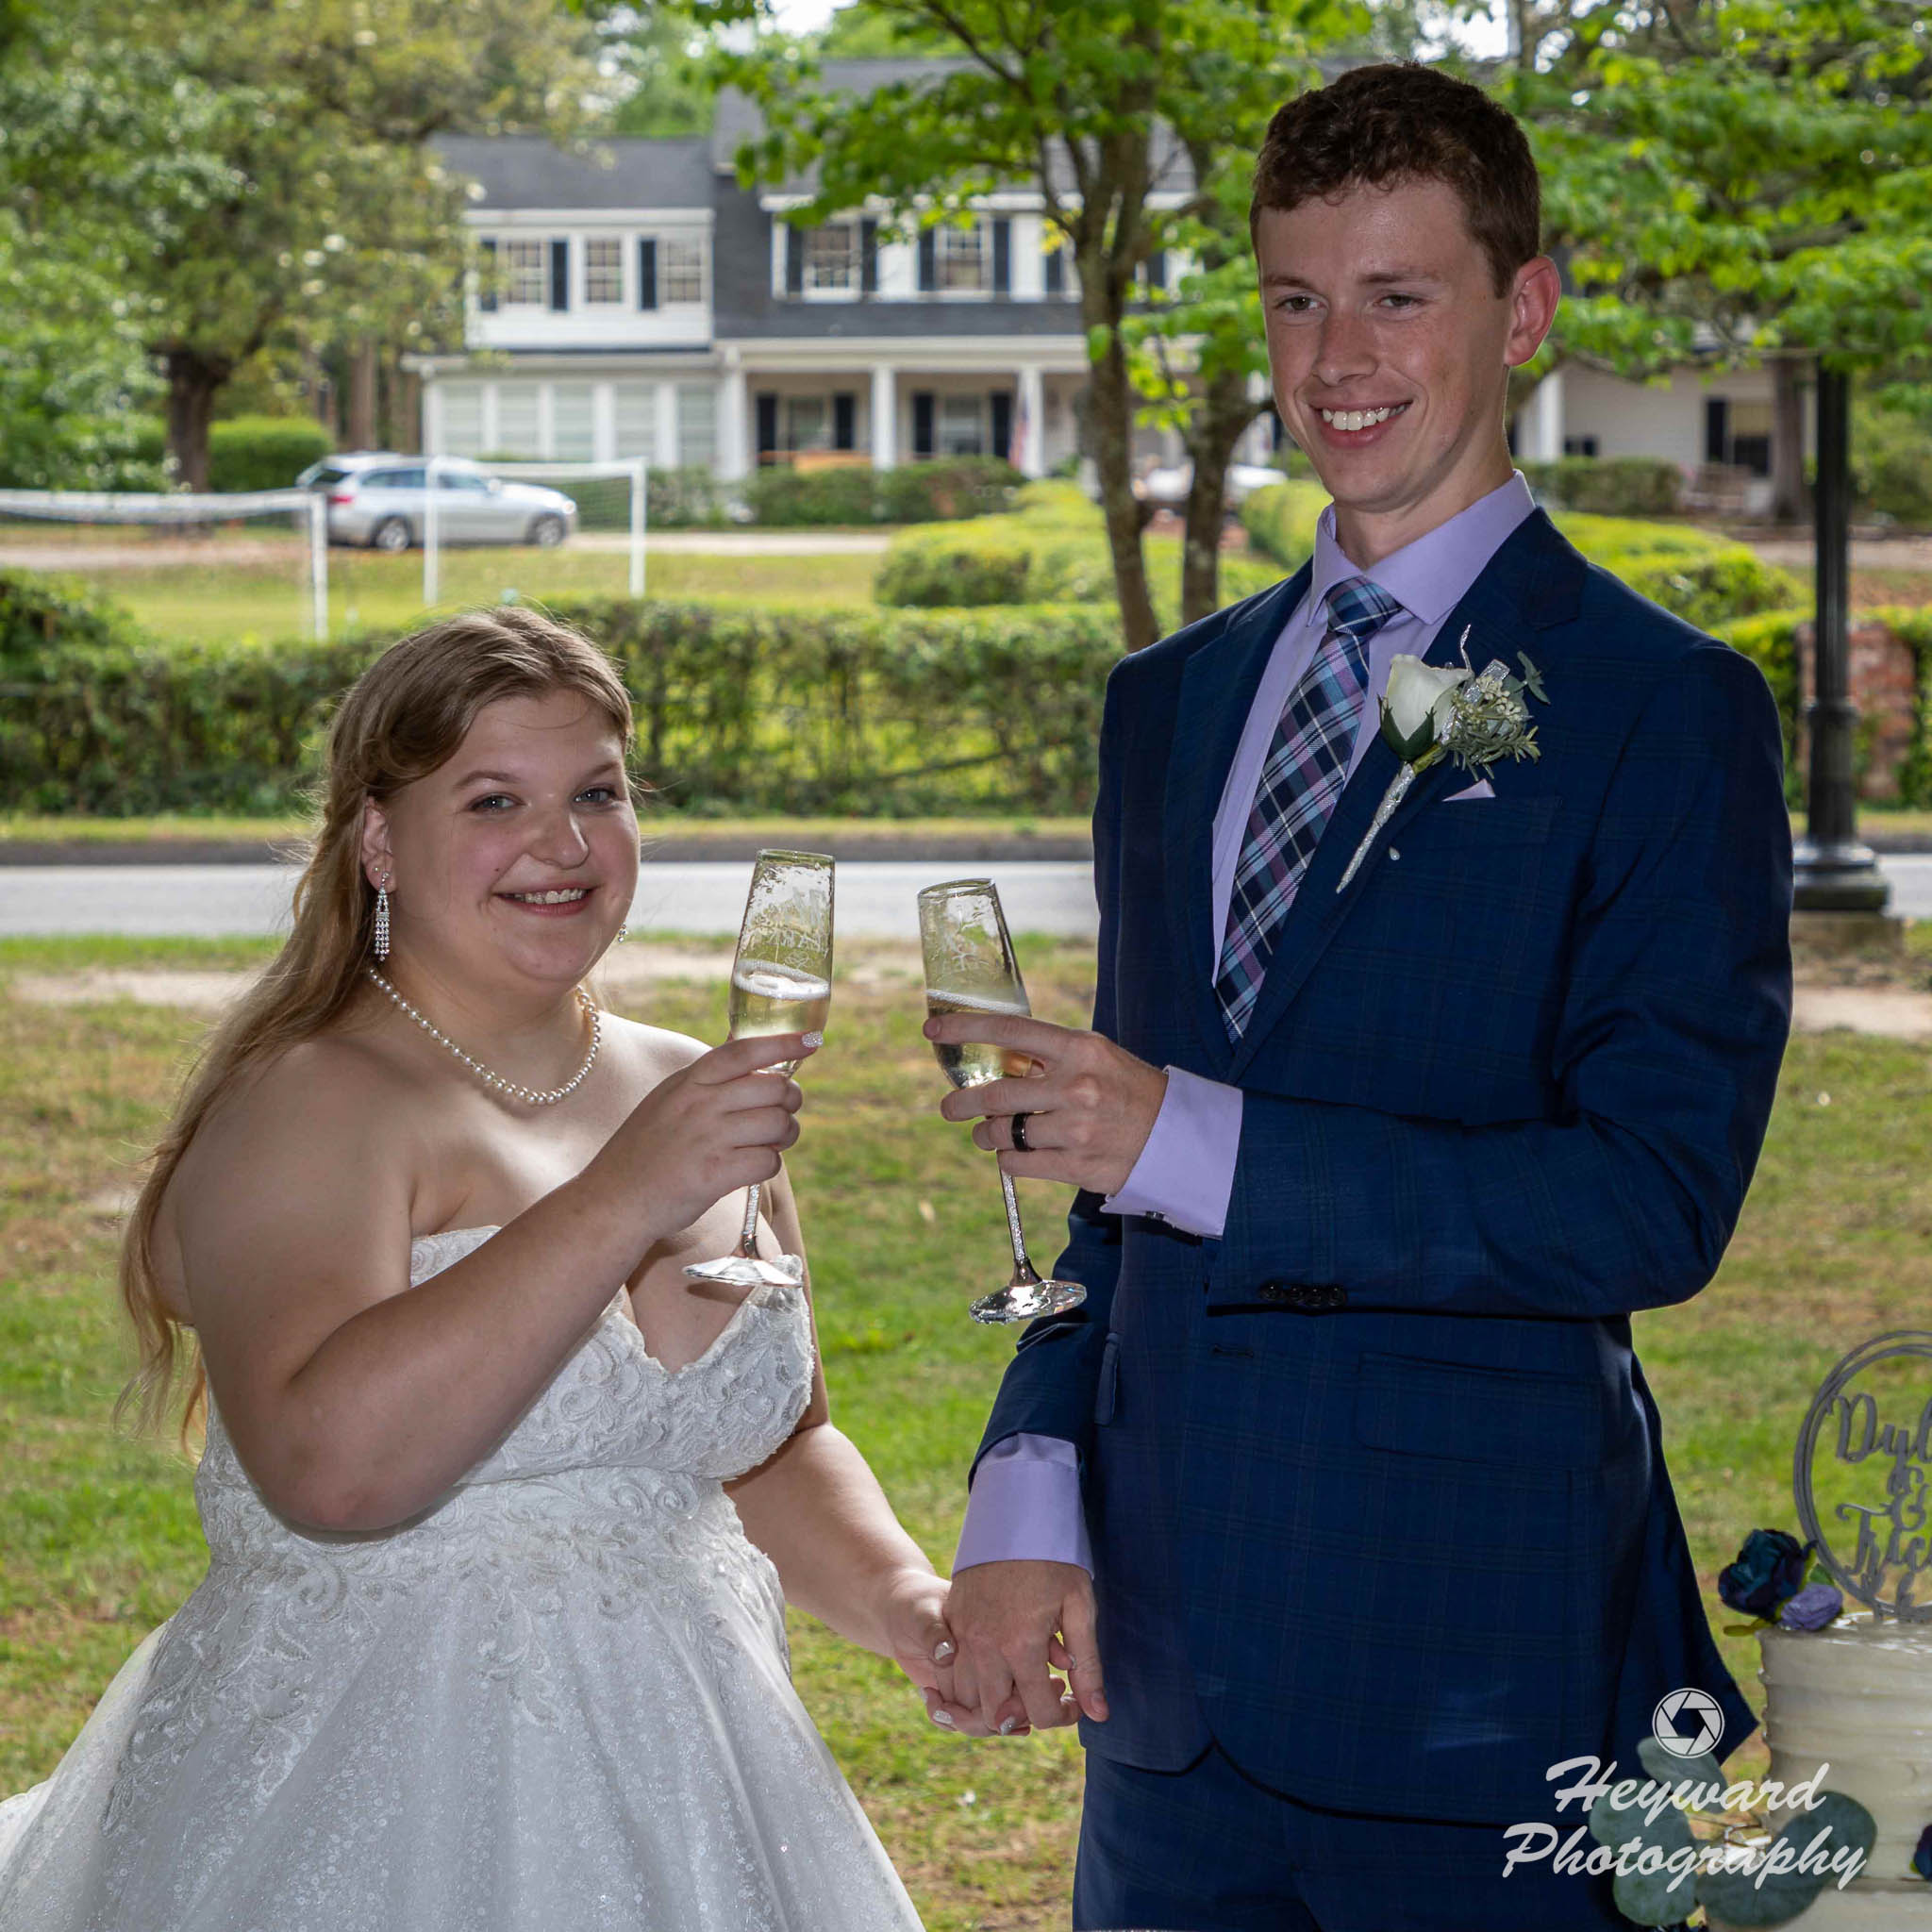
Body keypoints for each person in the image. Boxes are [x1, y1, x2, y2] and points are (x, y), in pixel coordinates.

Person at [923, 60, 1793, 1932]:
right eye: (1298, 298)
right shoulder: (1165, 706)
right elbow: (1118, 1181)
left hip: (1470, 1683)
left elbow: (1648, 1201)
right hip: (1159, 1699)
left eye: (1398, 295)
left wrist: (1192, 1138)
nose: (1339, 358)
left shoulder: (1659, 709)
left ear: (1524, 308)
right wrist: (1023, 1489)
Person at [0, 608, 942, 1931]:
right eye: (495, 801)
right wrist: (625, 1196)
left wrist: (908, 1602)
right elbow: (328, 1471)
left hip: (702, 1792)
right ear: (380, 839)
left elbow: (768, 1447)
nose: (563, 847)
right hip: (375, 1801)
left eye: (597, 795)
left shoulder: (683, 1083)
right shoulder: (315, 1104)